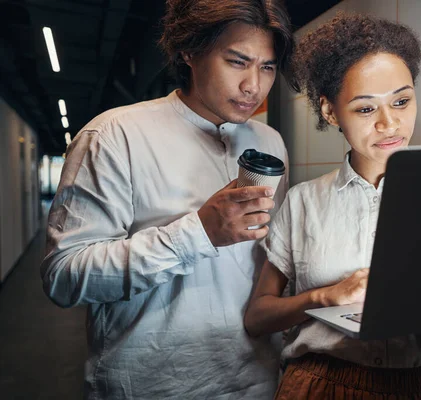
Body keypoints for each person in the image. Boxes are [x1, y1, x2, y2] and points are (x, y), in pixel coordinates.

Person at [243, 13, 421, 399]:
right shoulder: (303, 201)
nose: (389, 123)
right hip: (315, 386)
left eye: (401, 100)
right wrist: (322, 297)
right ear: (331, 112)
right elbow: (257, 317)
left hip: (415, 388)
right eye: (366, 109)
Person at [41, 0, 294, 398]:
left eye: (267, 66)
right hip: (152, 384)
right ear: (189, 51)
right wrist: (199, 233)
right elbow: (64, 277)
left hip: (256, 380)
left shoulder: (269, 142)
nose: (254, 86)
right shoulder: (115, 135)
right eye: (237, 62)